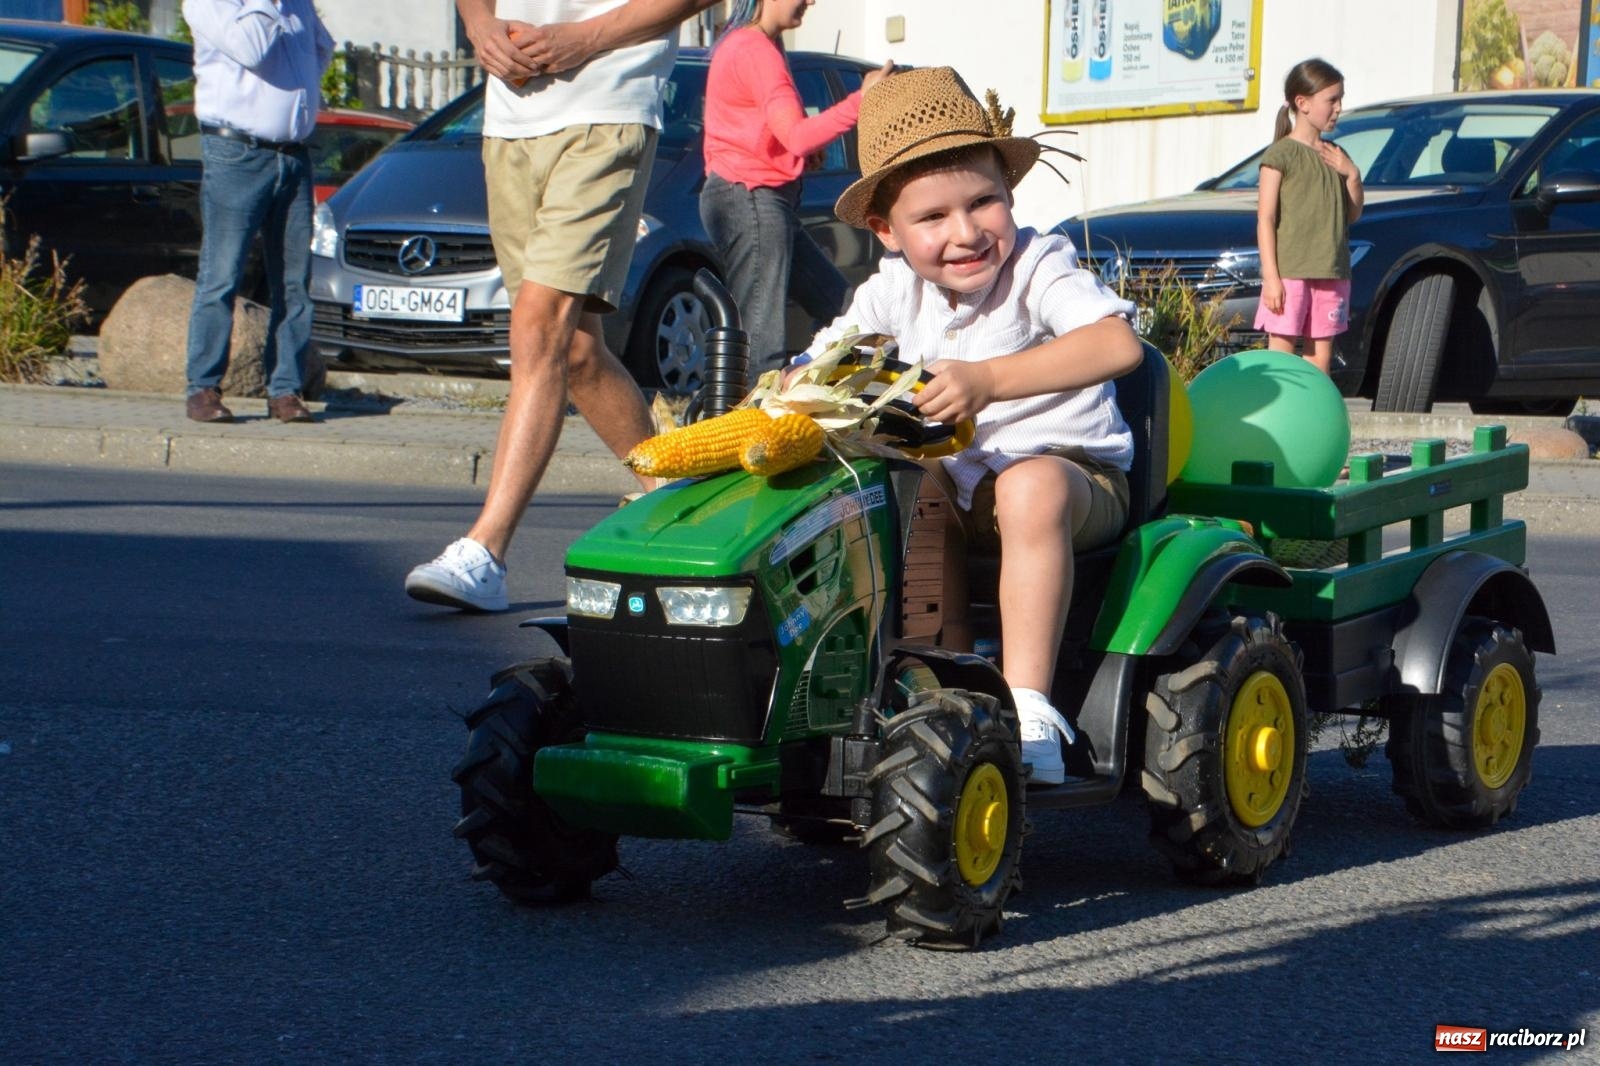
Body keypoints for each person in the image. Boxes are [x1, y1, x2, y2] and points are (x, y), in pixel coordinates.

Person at [799, 66, 1143, 785]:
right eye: (933, 218)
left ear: (1008, 194)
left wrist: (987, 381)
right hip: (956, 492)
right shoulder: (893, 291)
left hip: (1076, 484)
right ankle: (931, 690)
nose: (966, 233)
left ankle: (1030, 710)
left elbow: (1116, 345)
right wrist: (781, 395)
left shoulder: (1039, 266)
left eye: (983, 201)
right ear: (886, 232)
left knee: (1028, 488)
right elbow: (823, 361)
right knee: (879, 490)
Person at [406, 0, 719, 612]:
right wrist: (479, 26)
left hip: (606, 106)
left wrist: (586, 38)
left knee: (538, 324)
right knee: (575, 351)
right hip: (510, 120)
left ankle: (485, 551)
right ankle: (680, 509)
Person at [699, 0, 892, 381]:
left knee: (842, 309)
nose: (811, 1)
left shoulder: (751, 44)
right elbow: (798, 136)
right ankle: (752, 416)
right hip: (751, 197)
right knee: (760, 344)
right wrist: (861, 100)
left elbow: (778, 132)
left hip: (754, 197)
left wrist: (800, 151)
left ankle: (838, 395)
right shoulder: (755, 49)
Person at [181, 0, 334, 425]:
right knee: (222, 275)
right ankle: (203, 388)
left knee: (294, 283)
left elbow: (321, 51)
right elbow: (252, 49)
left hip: (293, 155)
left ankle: (285, 390)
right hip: (236, 151)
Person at [1255, 58, 1364, 375]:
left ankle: (1314, 408)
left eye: (1340, 99)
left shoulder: (1337, 156)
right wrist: (1272, 278)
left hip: (1331, 272)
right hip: (1290, 273)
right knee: (1282, 358)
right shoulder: (1280, 155)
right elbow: (1265, 219)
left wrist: (1352, 175)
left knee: (1319, 361)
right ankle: (1282, 408)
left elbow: (1352, 214)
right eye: (1331, 100)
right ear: (1302, 103)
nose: (1338, 108)